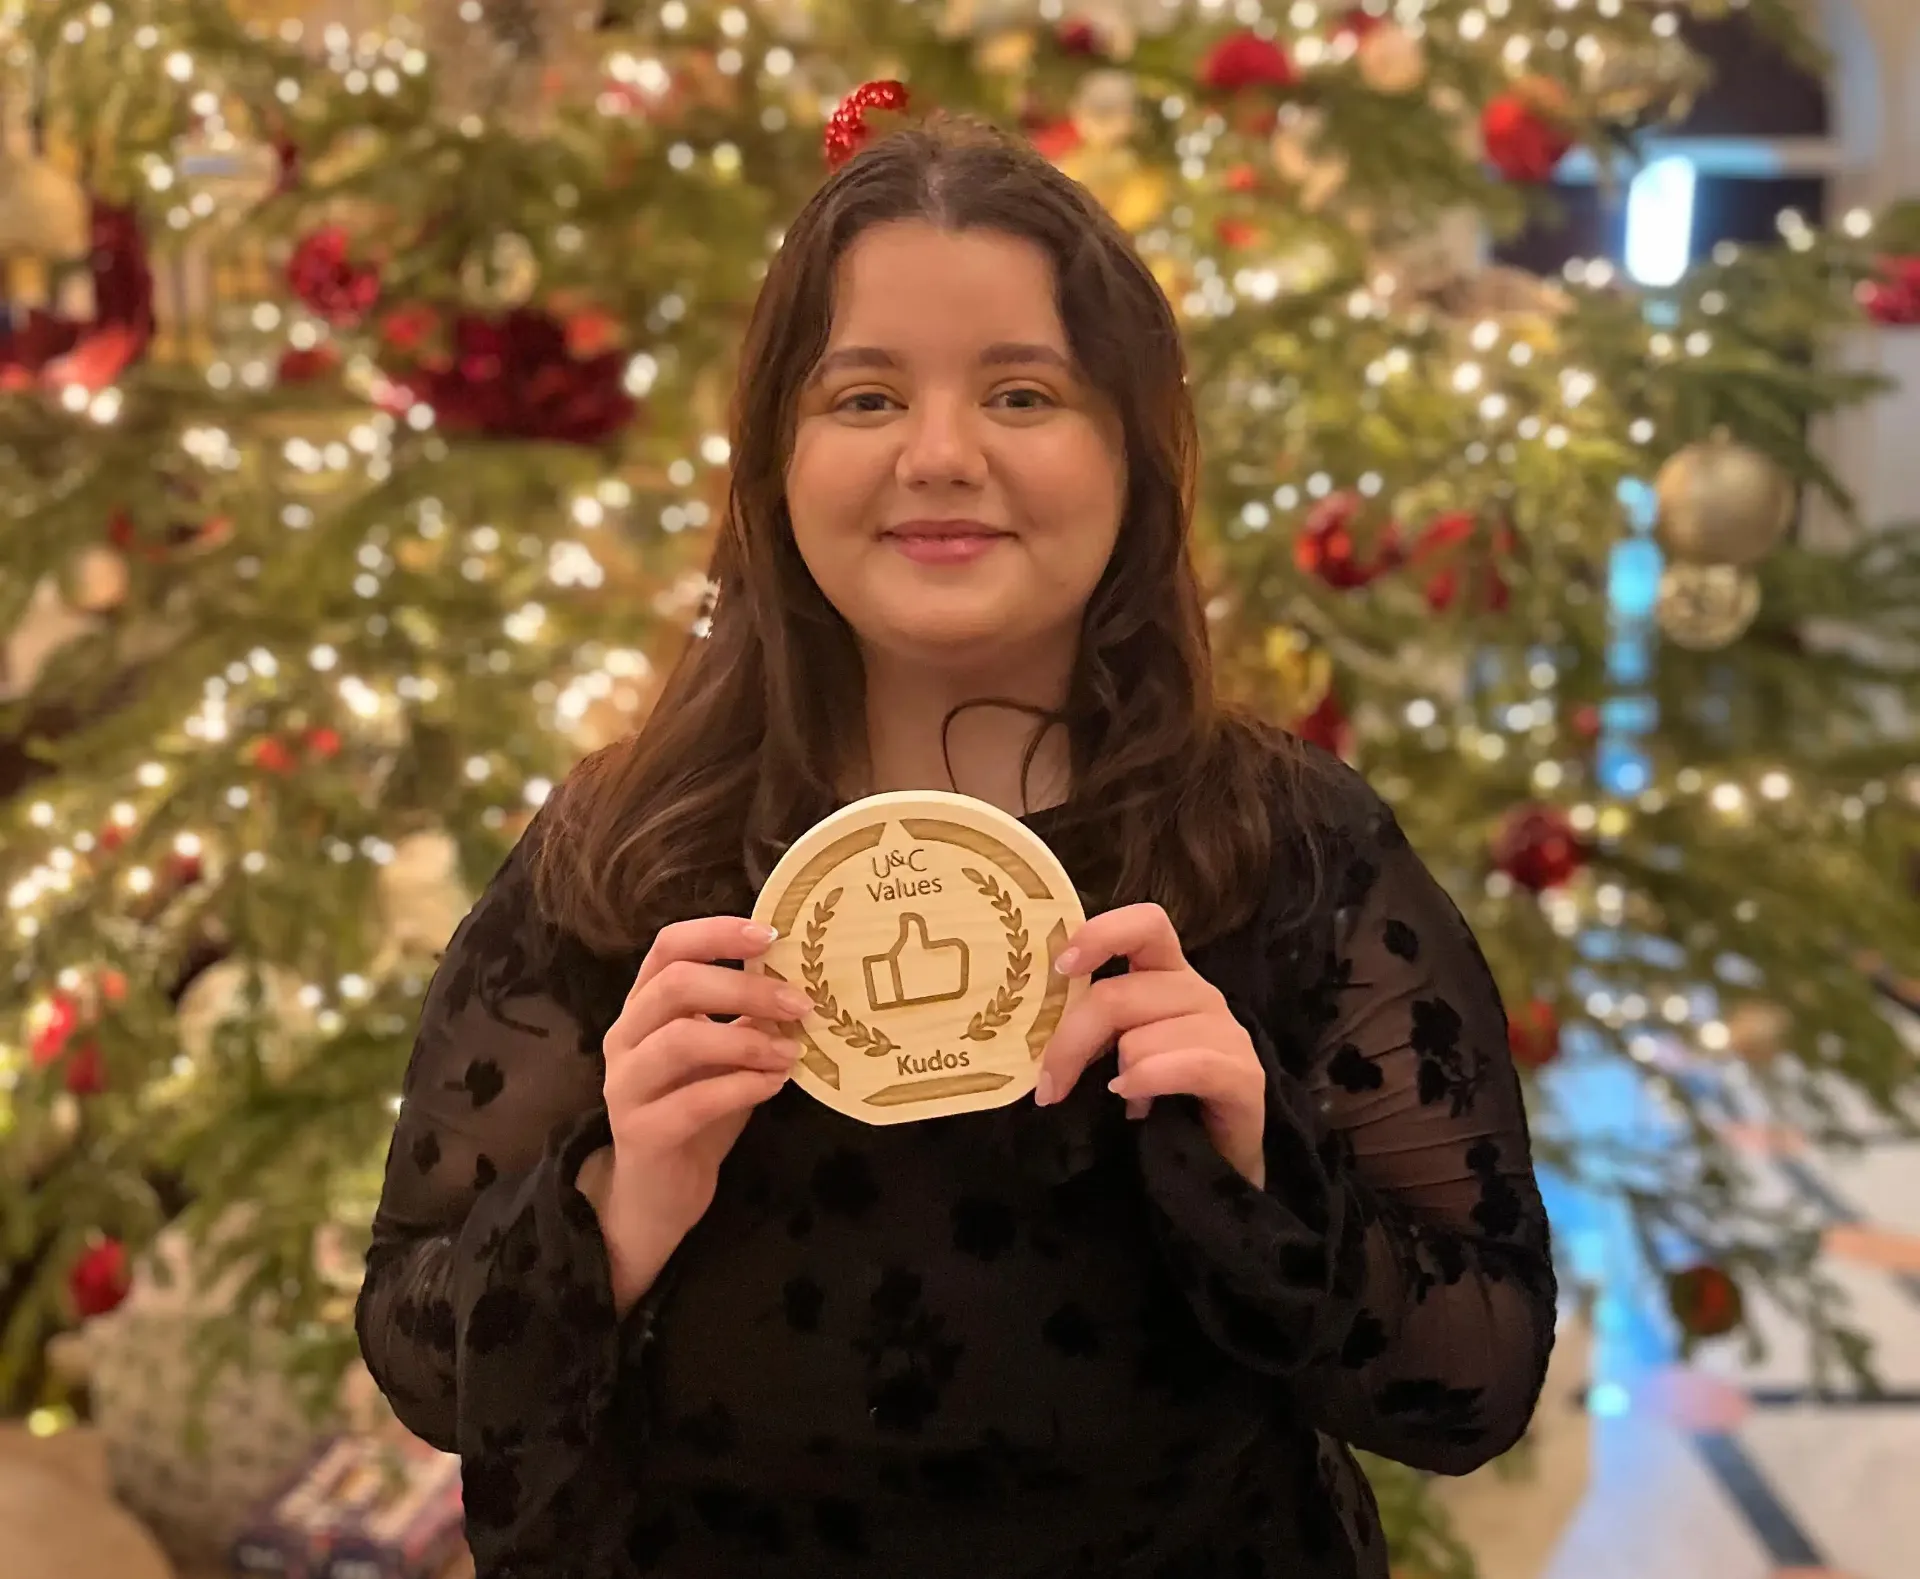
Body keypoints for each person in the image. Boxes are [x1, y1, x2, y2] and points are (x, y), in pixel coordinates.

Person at [356, 115, 1556, 1579]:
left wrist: (1259, 1165)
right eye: (864, 395)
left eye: (1022, 393)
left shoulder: (1289, 849)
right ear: (776, 457)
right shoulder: (629, 852)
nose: (939, 456)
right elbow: (417, 1355)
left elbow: (1478, 1380)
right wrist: (618, 1204)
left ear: (1132, 452)